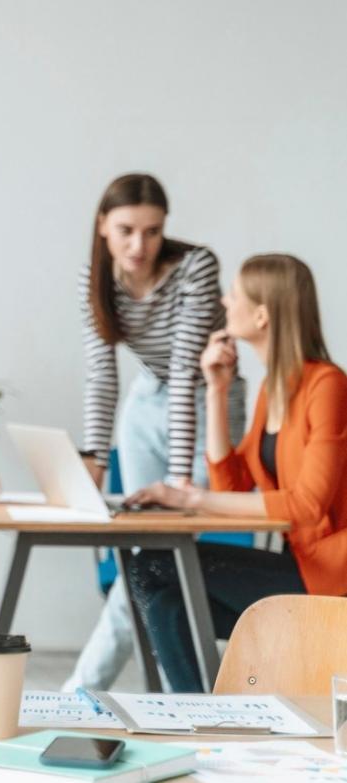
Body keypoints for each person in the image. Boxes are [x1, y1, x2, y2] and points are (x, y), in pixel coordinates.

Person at [125, 254, 347, 692]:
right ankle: (199, 721)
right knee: (168, 599)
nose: (225, 301)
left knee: (154, 565)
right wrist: (217, 390)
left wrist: (191, 498)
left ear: (262, 315)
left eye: (234, 294)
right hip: (301, 567)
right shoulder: (273, 388)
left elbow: (306, 506)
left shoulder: (327, 386)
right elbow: (231, 483)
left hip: (330, 578)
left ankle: (199, 717)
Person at [62, 173, 247, 691]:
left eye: (151, 231)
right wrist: (94, 457)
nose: (139, 245)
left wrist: (176, 485)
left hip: (211, 400)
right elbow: (101, 374)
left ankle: (83, 691)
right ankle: (154, 694)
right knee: (143, 547)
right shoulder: (94, 281)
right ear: (102, 226)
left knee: (164, 542)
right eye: (126, 230)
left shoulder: (195, 267)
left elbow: (189, 372)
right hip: (145, 400)